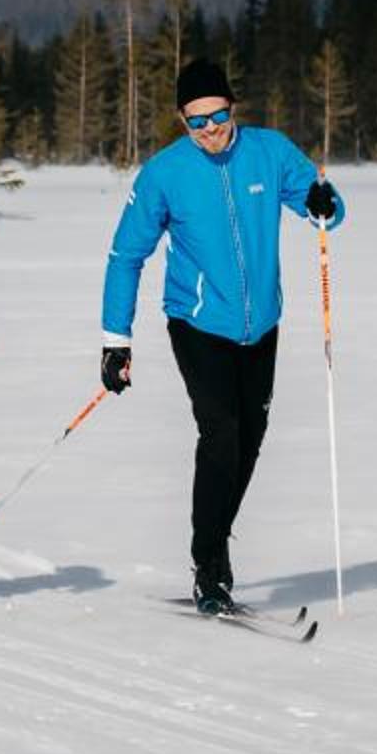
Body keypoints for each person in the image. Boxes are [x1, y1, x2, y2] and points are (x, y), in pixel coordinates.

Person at [98, 57, 344, 615]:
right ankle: (210, 565)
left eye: (217, 117)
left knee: (250, 439)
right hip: (198, 323)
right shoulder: (164, 173)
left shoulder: (268, 151)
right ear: (181, 120)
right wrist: (117, 339)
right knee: (221, 435)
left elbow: (320, 202)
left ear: (233, 108)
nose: (209, 130)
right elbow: (125, 255)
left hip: (262, 326)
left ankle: (213, 538)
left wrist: (324, 203)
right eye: (196, 121)